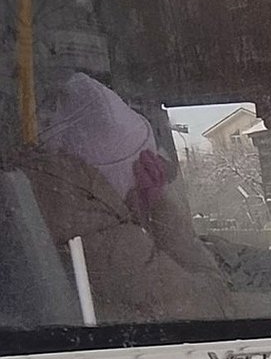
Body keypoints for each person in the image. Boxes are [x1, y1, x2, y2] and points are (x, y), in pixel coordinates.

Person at [22, 72, 232, 324]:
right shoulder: (99, 234)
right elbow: (214, 307)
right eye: (145, 167)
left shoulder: (53, 205)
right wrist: (158, 204)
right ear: (119, 171)